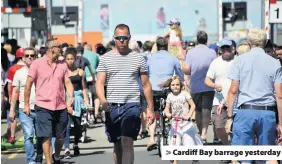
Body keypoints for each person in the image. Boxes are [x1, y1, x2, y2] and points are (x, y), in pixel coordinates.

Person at [96, 24, 154, 164]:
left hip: (132, 104)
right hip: (112, 106)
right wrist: (103, 101)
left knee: (127, 141)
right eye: (119, 38)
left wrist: (150, 109)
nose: (121, 41)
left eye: (124, 38)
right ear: (114, 38)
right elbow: (99, 83)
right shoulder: (105, 58)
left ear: (129, 38)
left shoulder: (138, 58)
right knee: (117, 143)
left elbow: (146, 85)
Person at [227, 28, 282, 164]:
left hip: (245, 111)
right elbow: (279, 95)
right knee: (269, 157)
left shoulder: (240, 61)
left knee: (242, 157)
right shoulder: (274, 63)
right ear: (264, 43)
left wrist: (229, 117)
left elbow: (233, 90)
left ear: (248, 42)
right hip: (267, 113)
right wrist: (280, 122)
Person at [24, 39, 74, 164]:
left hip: (60, 106)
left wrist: (70, 98)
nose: (61, 49)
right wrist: (26, 104)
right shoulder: (37, 64)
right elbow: (28, 85)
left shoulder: (62, 65)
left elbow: (68, 83)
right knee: (46, 136)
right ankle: (49, 162)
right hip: (43, 105)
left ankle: (56, 155)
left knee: (61, 137)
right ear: (52, 49)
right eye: (59, 47)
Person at [146, 36, 184, 151]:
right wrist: (182, 83)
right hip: (167, 88)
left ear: (157, 47)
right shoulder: (172, 58)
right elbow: (180, 74)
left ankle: (152, 138)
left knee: (152, 111)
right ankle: (172, 129)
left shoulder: (150, 58)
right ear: (167, 46)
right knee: (172, 108)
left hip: (152, 88)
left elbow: (145, 74)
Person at [9, 47, 43, 164]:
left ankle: (39, 155)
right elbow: (15, 92)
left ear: (36, 57)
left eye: (32, 55)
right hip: (24, 109)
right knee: (28, 135)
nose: (30, 57)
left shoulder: (42, 71)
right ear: (23, 58)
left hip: (41, 109)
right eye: (27, 55)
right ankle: (31, 161)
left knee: (40, 136)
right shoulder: (19, 73)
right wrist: (12, 110)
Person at [182, 31, 216, 144]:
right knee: (206, 110)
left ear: (197, 39)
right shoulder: (212, 52)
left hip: (195, 86)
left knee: (197, 110)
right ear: (206, 40)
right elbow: (215, 68)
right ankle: (204, 133)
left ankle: (200, 130)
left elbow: (186, 70)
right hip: (209, 85)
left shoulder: (191, 53)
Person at [163, 76, 202, 164]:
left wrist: (189, 115)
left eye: (177, 85)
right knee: (174, 145)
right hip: (175, 124)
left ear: (180, 86)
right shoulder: (169, 96)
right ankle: (174, 161)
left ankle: (195, 159)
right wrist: (168, 114)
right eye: (173, 85)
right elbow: (167, 108)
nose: (175, 86)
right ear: (170, 86)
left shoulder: (185, 94)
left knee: (189, 146)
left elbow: (193, 106)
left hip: (186, 125)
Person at [63, 48, 90, 159]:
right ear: (65, 60)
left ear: (75, 59)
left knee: (78, 125)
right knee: (67, 125)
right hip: (66, 99)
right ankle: (67, 148)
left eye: (72, 59)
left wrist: (87, 101)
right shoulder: (63, 72)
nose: (70, 61)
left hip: (78, 99)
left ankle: (75, 144)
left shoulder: (80, 71)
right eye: (68, 59)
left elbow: (83, 88)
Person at [6, 47, 26, 143]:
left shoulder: (12, 69)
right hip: (26, 96)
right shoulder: (27, 68)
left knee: (13, 117)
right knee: (26, 116)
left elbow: (10, 85)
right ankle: (26, 134)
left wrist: (10, 96)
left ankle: (12, 136)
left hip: (15, 96)